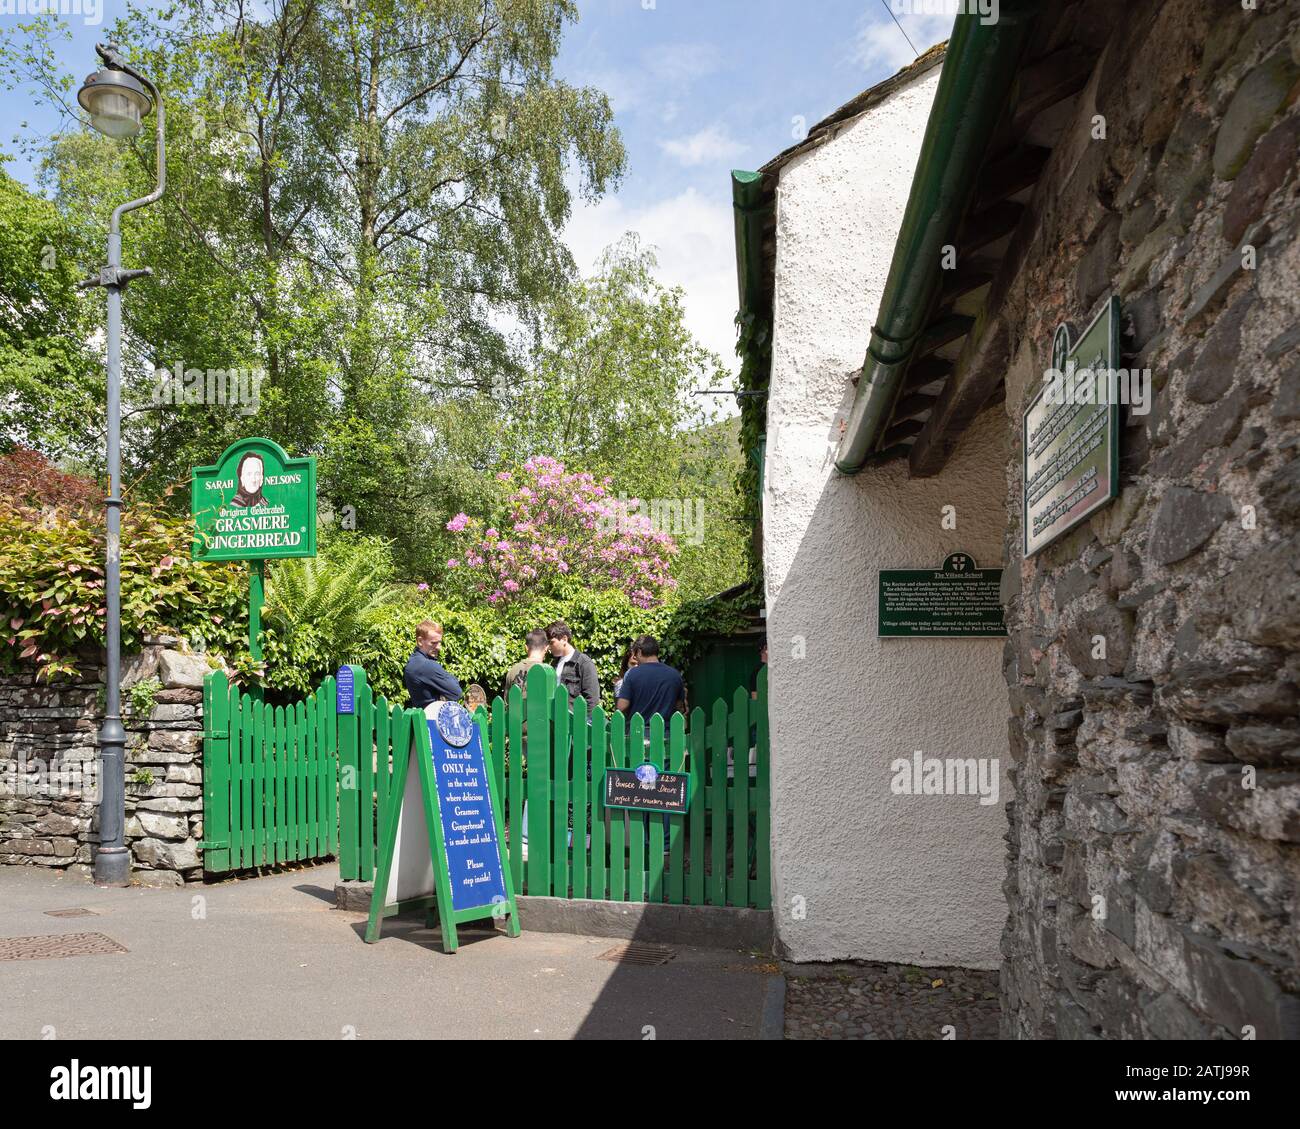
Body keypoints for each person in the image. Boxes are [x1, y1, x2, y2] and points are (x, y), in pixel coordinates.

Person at [616, 635, 685, 721]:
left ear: (640, 652)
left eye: (635, 655)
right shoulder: (675, 675)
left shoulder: (631, 674)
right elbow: (679, 706)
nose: (635, 658)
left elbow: (622, 706)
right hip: (667, 732)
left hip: (638, 731)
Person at [402, 620, 463, 708]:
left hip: (422, 716)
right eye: (433, 643)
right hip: (432, 719)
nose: (438, 647)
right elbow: (456, 693)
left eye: (439, 642)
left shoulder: (413, 660)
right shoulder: (427, 665)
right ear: (420, 641)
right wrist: (451, 678)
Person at [545, 620, 599, 711]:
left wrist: (582, 724)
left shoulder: (584, 663)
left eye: (551, 642)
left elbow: (592, 701)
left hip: (575, 722)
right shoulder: (554, 663)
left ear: (564, 639)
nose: (549, 647)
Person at [502, 629, 549, 703]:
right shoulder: (548, 672)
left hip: (515, 714)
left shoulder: (512, 671)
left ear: (526, 648)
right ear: (546, 648)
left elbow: (506, 704)